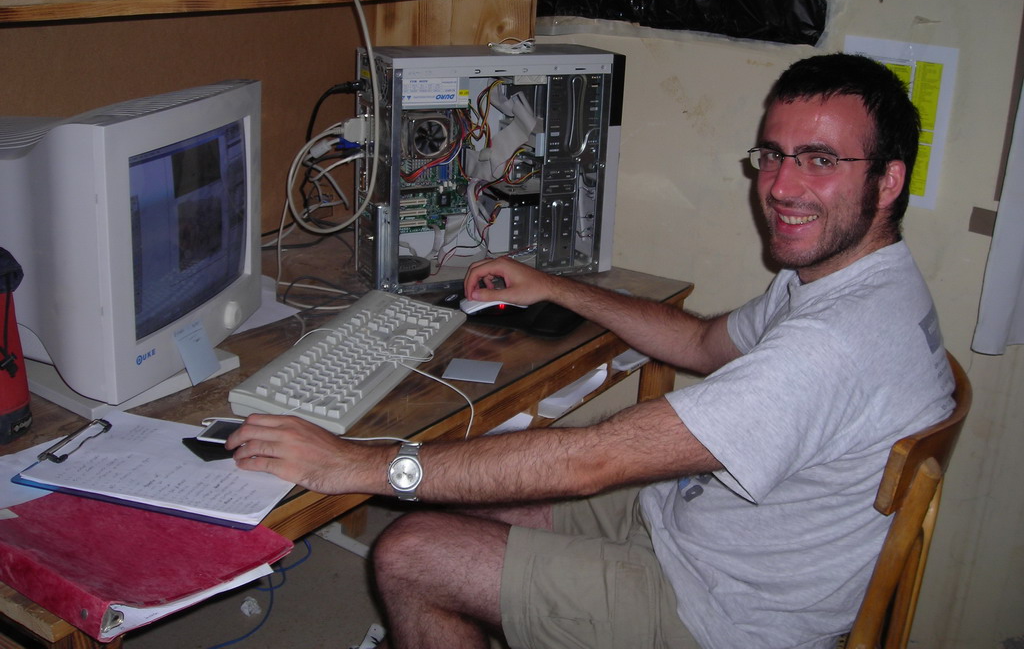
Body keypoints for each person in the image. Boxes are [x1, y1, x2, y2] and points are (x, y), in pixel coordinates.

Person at [227, 53, 955, 649]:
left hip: (723, 615)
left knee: (410, 552)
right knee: (481, 490)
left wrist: (356, 465)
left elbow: (591, 464)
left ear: (888, 180)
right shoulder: (848, 283)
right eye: (773, 154)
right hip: (698, 529)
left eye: (820, 160)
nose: (782, 186)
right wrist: (555, 287)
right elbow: (701, 342)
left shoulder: (836, 343)